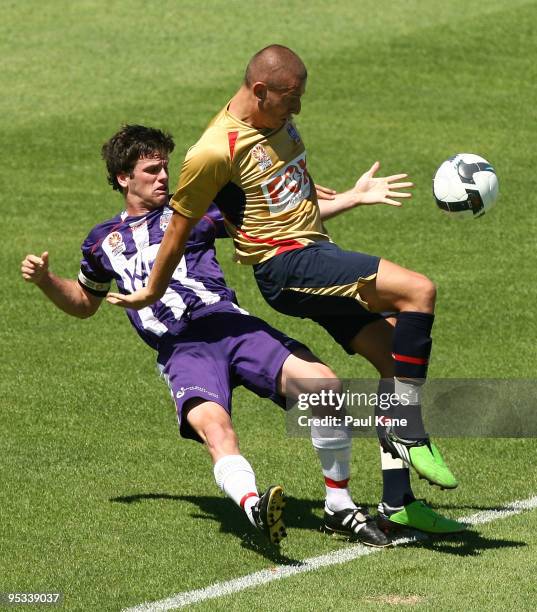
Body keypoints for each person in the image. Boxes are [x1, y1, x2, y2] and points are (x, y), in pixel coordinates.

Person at [106, 76, 466, 535]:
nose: (297, 107)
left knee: (389, 357)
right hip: (268, 282)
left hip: (251, 304)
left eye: (163, 168)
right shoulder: (211, 156)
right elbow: (172, 234)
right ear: (261, 90)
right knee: (419, 290)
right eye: (290, 98)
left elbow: (282, 206)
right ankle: (405, 427)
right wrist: (150, 290)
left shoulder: (268, 134)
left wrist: (354, 197)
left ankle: (395, 502)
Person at [21, 124, 400, 547]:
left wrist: (354, 197)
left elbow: (275, 221)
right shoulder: (102, 242)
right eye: (151, 170)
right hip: (181, 347)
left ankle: (340, 507)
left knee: (324, 388)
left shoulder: (194, 208)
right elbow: (83, 303)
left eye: (165, 166)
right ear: (123, 178)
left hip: (228, 323)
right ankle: (254, 505)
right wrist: (45, 280)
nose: (163, 176)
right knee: (215, 427)